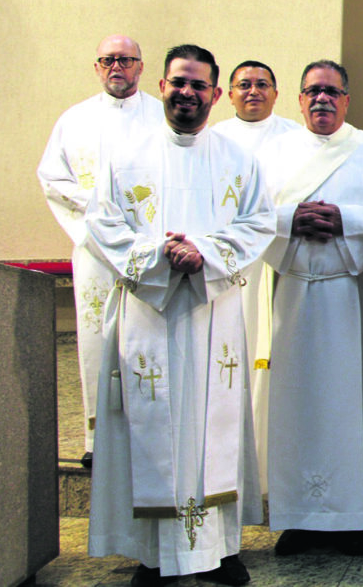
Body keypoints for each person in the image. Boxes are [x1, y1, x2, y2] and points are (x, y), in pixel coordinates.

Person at [85, 44, 274, 587]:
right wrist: (158, 256)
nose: (187, 93)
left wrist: (207, 253)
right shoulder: (126, 155)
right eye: (177, 82)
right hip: (149, 310)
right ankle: (154, 555)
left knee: (216, 427)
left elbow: (260, 222)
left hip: (212, 314)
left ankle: (221, 549)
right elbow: (103, 224)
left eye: (198, 85)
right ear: (162, 87)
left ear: (215, 94)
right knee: (155, 427)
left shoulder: (239, 160)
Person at [260, 61, 363, 556]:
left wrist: (344, 219)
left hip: (352, 295)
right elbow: (247, 213)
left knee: (354, 403)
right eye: (312, 91)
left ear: (347, 100)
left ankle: (359, 515)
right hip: (295, 291)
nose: (321, 99)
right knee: (297, 407)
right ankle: (300, 517)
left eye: (332, 91)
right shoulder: (274, 153)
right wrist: (291, 219)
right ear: (298, 101)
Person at [38, 34, 164, 468]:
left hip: (146, 249)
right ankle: (98, 439)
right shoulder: (74, 121)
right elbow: (53, 179)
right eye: (109, 60)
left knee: (147, 339)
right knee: (96, 339)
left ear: (140, 67)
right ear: (96, 67)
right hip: (93, 250)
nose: (117, 67)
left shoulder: (160, 116)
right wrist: (93, 211)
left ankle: (150, 433)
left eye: (127, 60)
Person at [210, 59, 301, 490]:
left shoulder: (295, 140)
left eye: (262, 84)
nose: (253, 91)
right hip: (226, 269)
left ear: (277, 93)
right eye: (243, 84)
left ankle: (273, 456)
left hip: (277, 265)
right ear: (227, 94)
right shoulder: (213, 142)